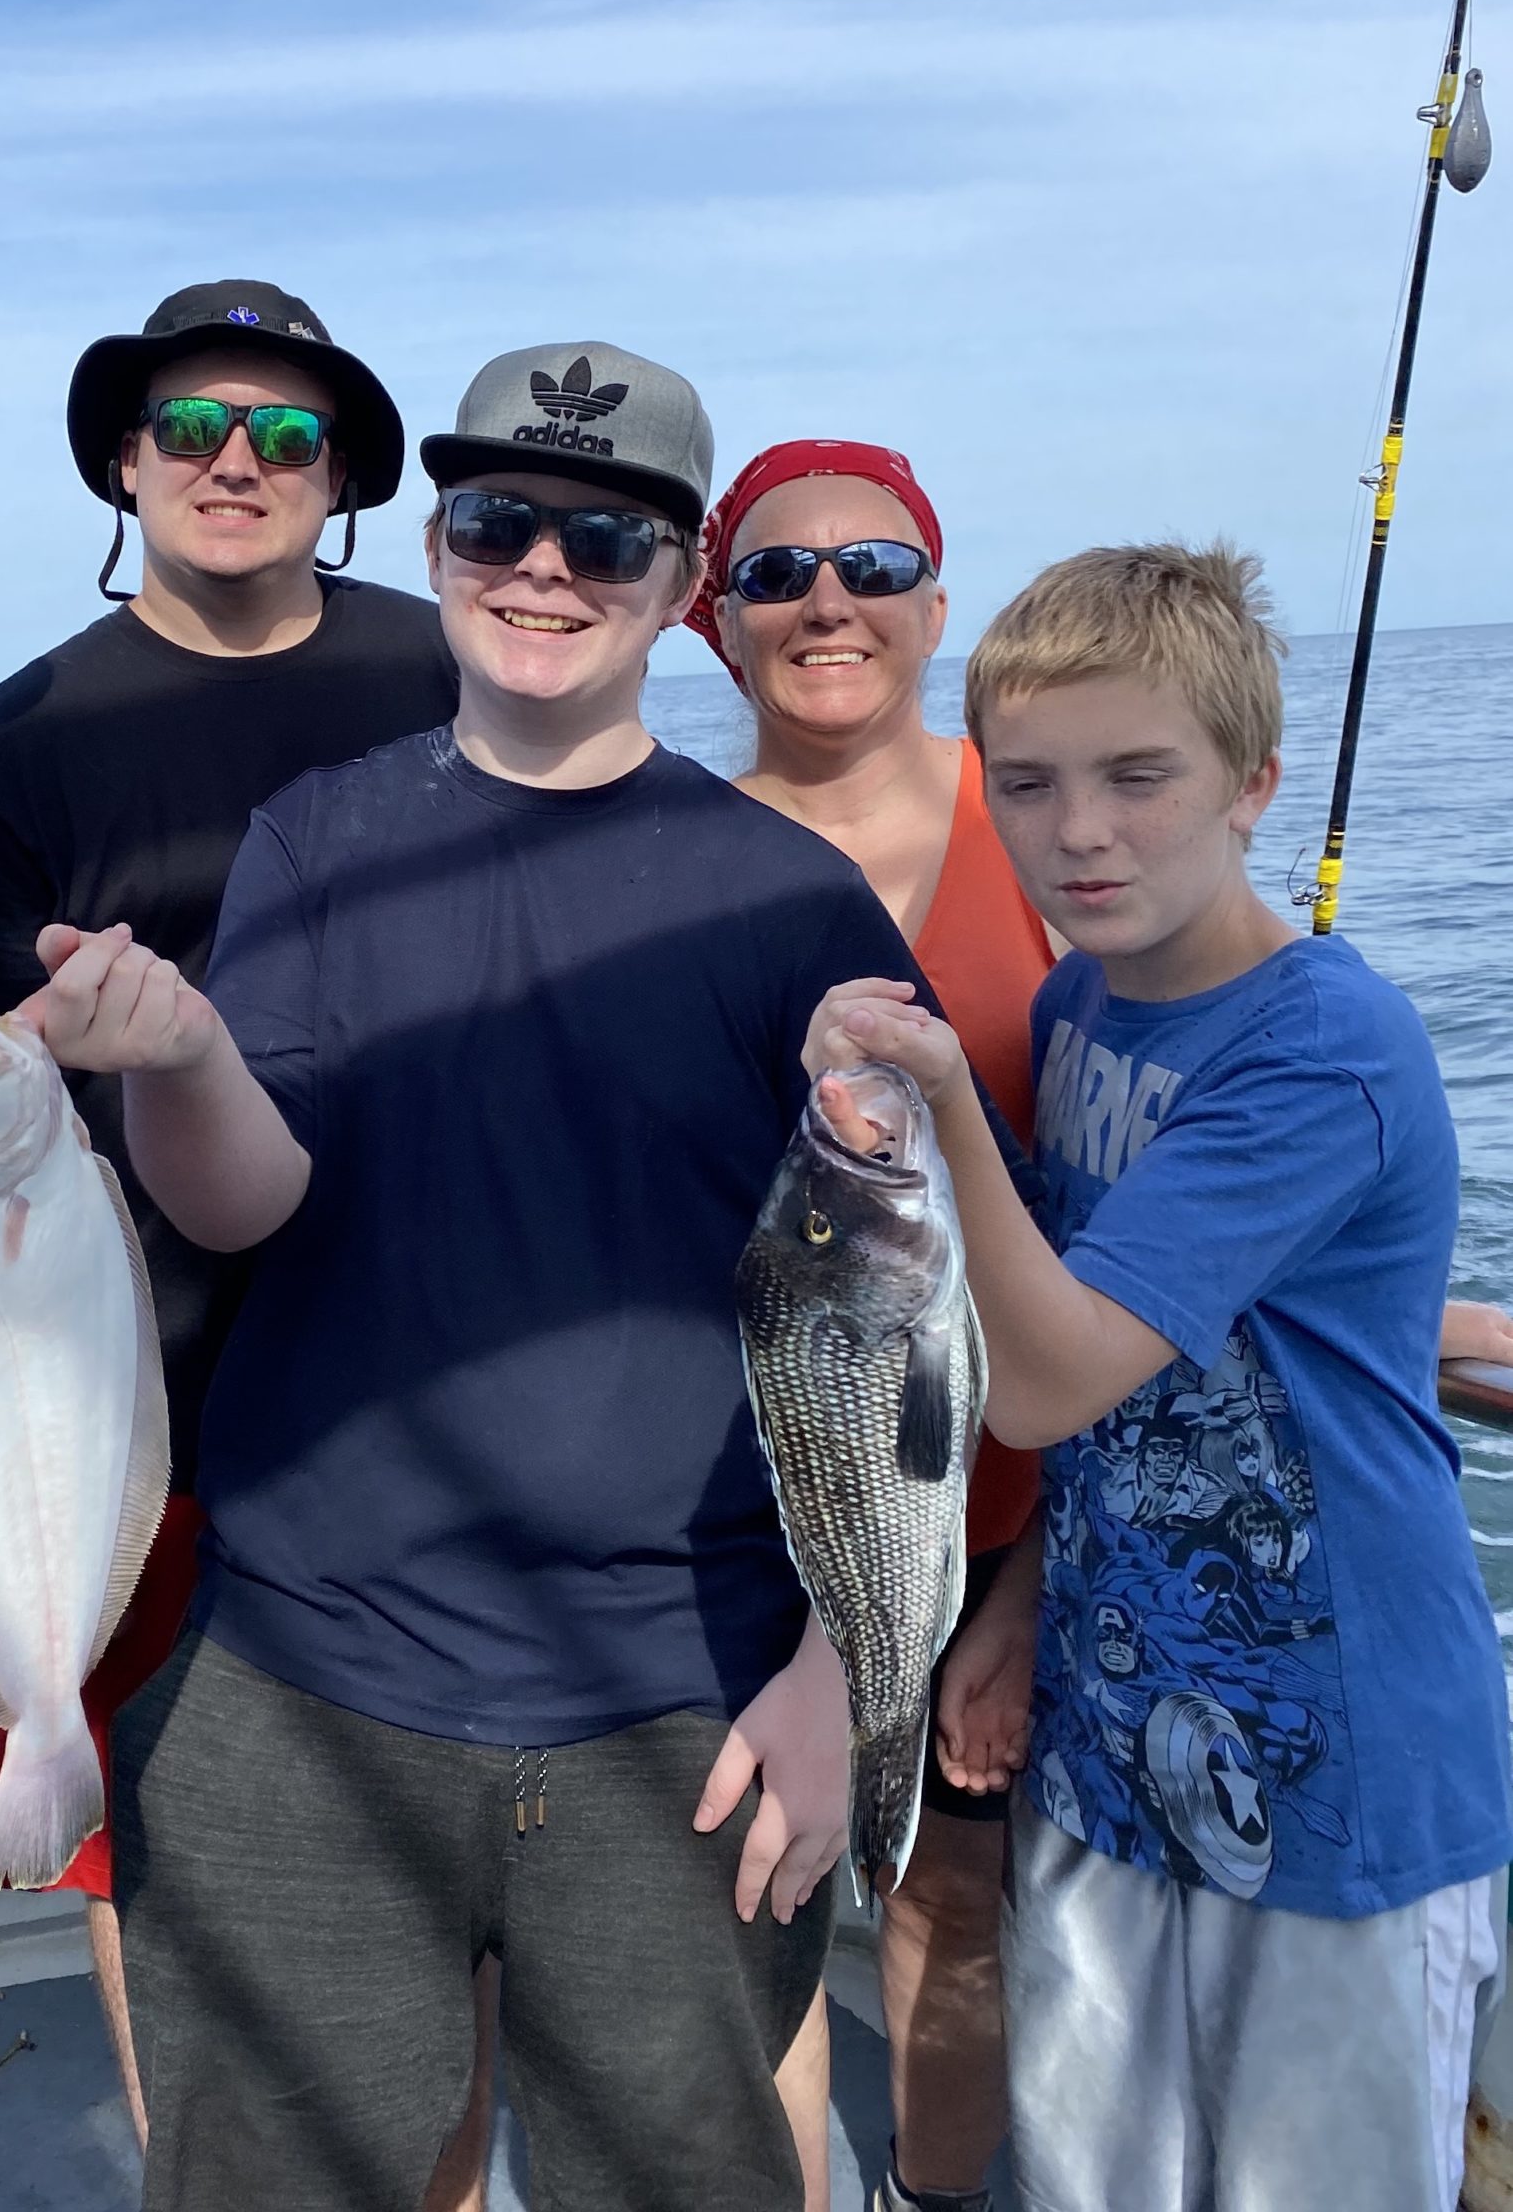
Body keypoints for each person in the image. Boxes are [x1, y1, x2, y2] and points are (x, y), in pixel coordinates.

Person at [12, 343, 932, 2212]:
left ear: (683, 593)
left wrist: (847, 1678)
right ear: (434, 546)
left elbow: (901, 1360)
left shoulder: (793, 905)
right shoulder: (316, 841)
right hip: (301, 1684)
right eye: (499, 521)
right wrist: (180, 1056)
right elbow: (239, 1204)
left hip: (687, 1705)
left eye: (604, 537)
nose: (544, 569)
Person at [803, 540, 1513, 2212]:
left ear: (1254, 782)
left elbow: (1037, 1385)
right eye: (1032, 785)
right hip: (1109, 1738)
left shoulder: (1319, 1044)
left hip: (1341, 1780)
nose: (1082, 832)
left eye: (1141, 777)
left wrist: (939, 1102)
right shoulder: (1079, 1010)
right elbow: (1124, 1362)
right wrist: (1016, 1603)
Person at [0, 279, 474, 2191]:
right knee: (139, 1808)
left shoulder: (453, 665)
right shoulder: (11, 748)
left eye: (291, 436)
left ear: (343, 483)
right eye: (192, 429)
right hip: (140, 1367)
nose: (237, 463)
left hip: (438, 1345)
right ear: (124, 461)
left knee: (447, 1816)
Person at [685, 440, 1049, 2212]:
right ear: (715, 624)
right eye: (773, 572)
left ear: (935, 598)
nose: (827, 598)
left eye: (872, 561)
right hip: (758, 1492)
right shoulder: (664, 857)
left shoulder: (1052, 817)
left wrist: (1042, 1583)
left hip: (1013, 1505)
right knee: (753, 1890)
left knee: (953, 1900)